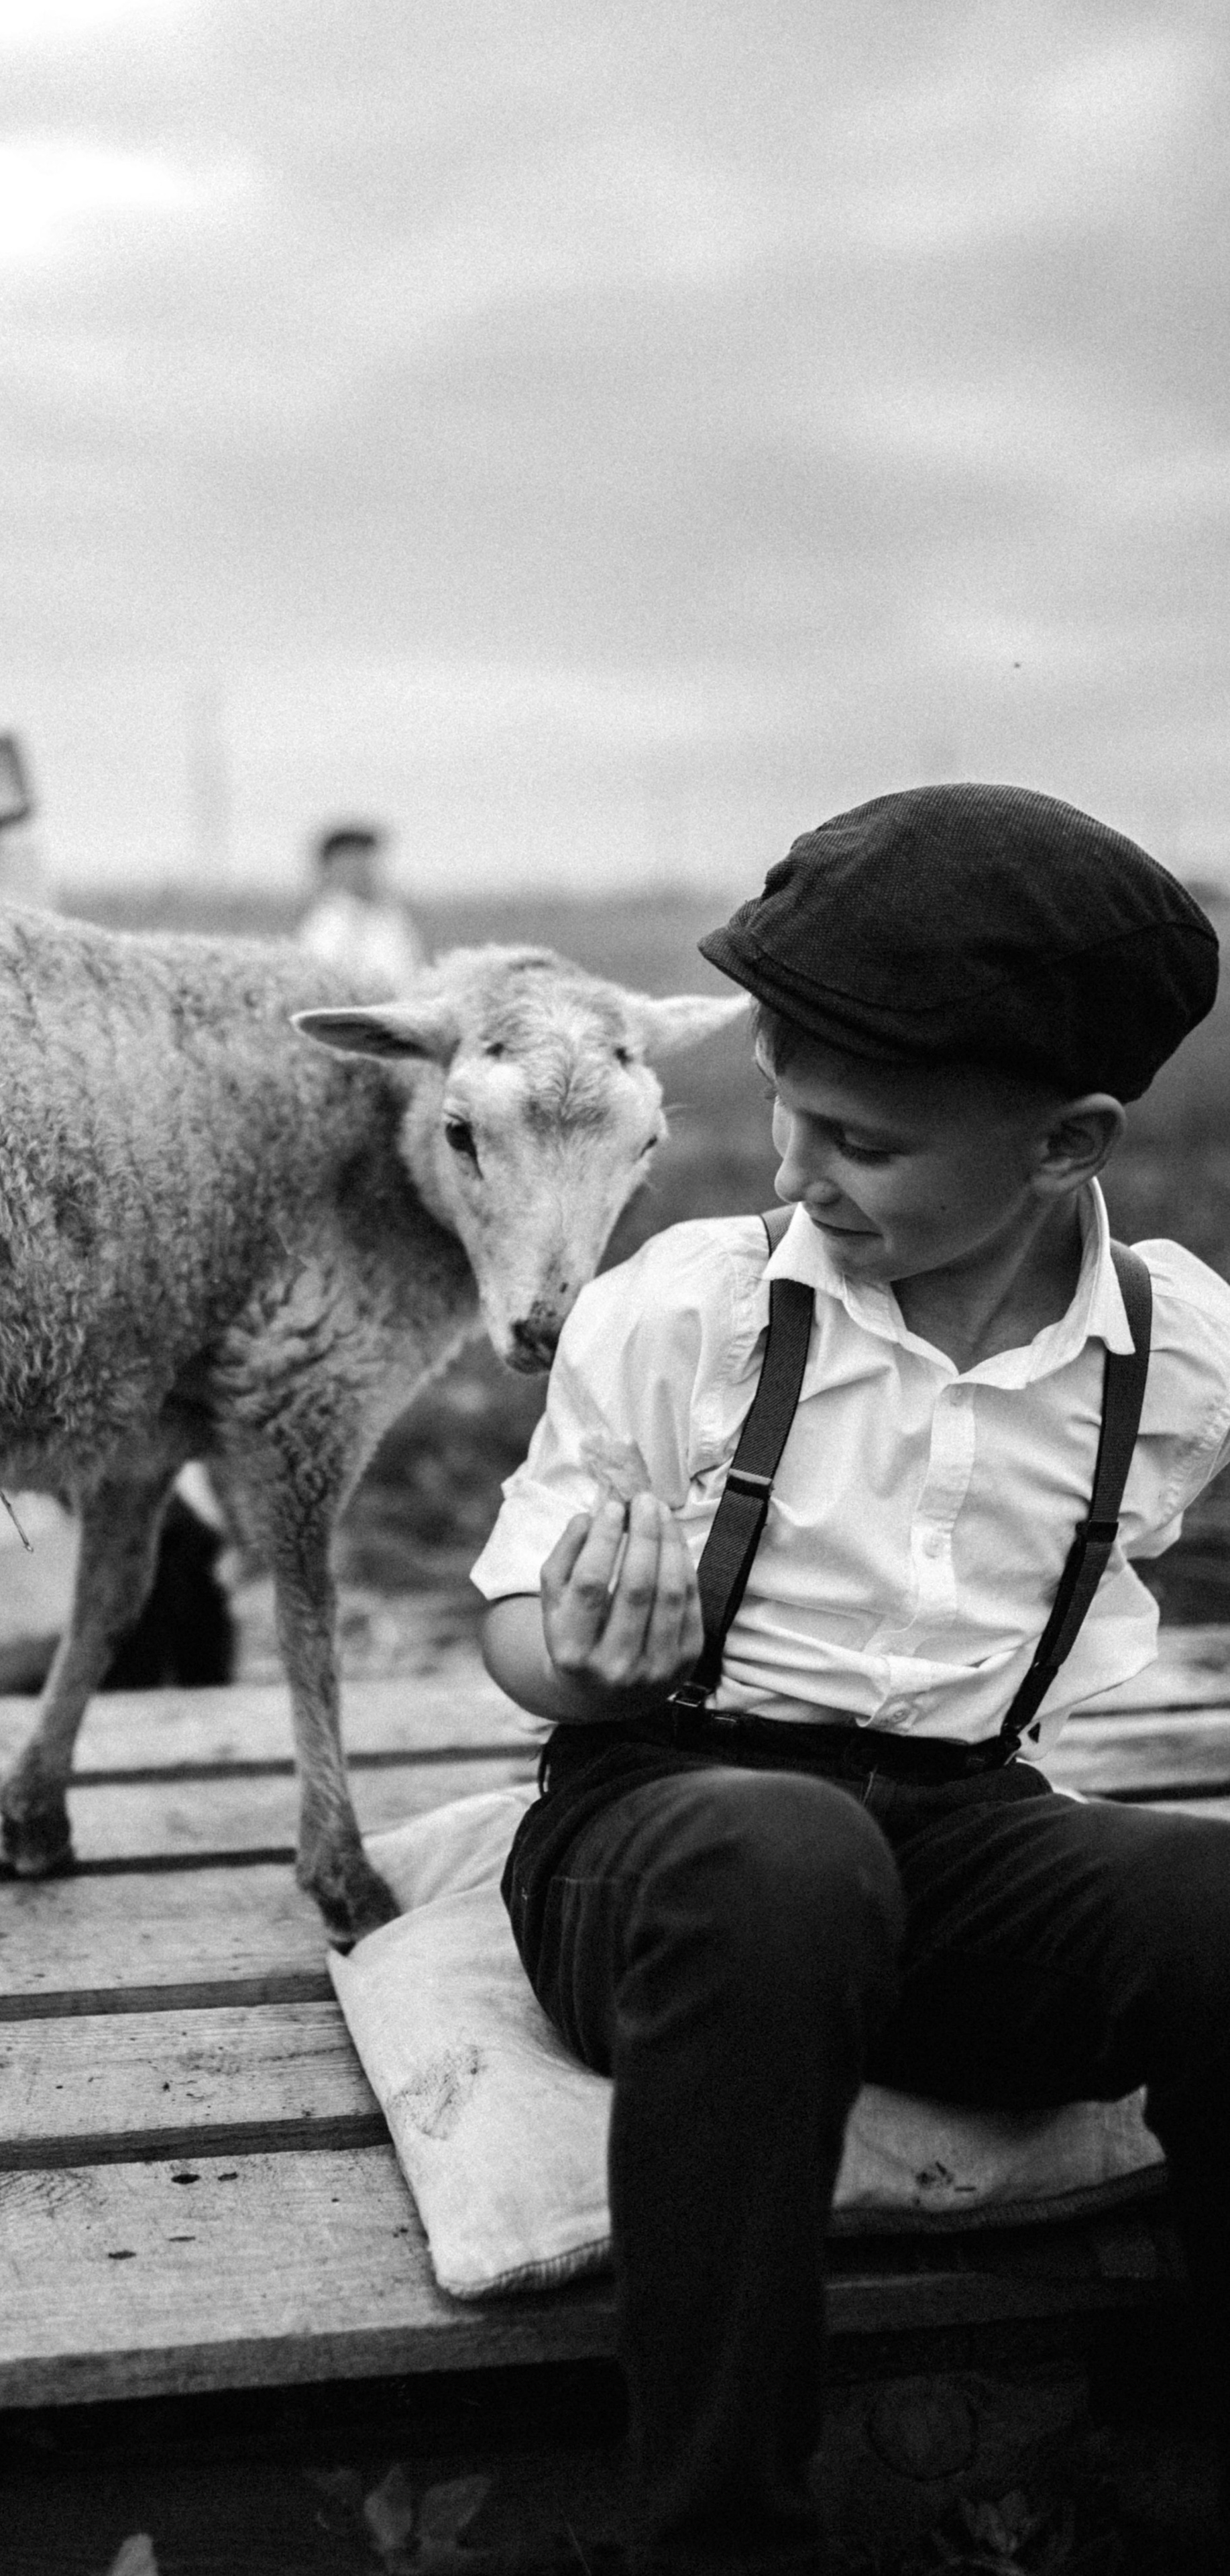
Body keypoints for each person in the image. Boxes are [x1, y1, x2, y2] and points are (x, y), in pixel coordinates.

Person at [469, 782, 1230, 2574]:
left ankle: (1185, 2455)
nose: (793, 1175)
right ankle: (718, 2531)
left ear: (1066, 1142)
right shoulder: (694, 1308)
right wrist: (582, 1662)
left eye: (862, 1145)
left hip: (959, 1842)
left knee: (1213, 1906)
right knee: (786, 1858)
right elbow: (510, 1622)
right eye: (782, 1111)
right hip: (659, 1839)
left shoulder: (1174, 1354)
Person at [295, 819, 426, 993]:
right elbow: (321, 981)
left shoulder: (391, 917)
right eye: (351, 861)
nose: (362, 869)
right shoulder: (325, 922)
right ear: (330, 868)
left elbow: (411, 972)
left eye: (366, 859)